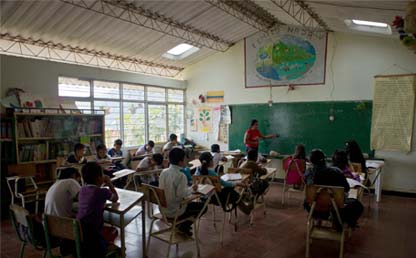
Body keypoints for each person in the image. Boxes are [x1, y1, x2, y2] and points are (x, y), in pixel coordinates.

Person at [304, 149, 364, 229]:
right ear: (324, 159)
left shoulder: (308, 173)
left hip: (313, 210)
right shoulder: (336, 171)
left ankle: (328, 220)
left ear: (311, 161)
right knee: (357, 205)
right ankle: (342, 222)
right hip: (335, 211)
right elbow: (346, 189)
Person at [159, 148, 206, 236]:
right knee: (203, 207)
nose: (186, 160)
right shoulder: (181, 176)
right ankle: (183, 226)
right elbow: (181, 194)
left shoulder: (163, 172)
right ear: (180, 162)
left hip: (163, 209)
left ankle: (182, 226)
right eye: (185, 159)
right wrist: (192, 189)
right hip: (175, 211)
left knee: (191, 203)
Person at [77, 162, 119, 258]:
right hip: (94, 235)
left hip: (80, 231)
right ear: (99, 178)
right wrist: (109, 182)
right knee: (114, 231)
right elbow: (116, 198)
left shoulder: (82, 190)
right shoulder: (102, 192)